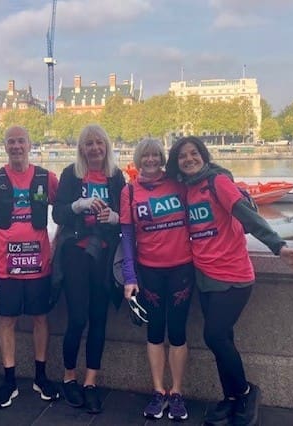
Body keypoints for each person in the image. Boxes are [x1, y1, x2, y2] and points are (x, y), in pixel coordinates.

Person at [165, 136, 293, 426]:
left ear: (203, 156)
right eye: (182, 156)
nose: (189, 159)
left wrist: (278, 247)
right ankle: (230, 399)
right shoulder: (186, 190)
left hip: (233, 276)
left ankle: (245, 392)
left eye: (194, 153)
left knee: (214, 336)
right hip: (204, 277)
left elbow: (249, 217)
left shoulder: (218, 183)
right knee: (223, 340)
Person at [0, 125, 60, 409]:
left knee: (40, 319)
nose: (16, 146)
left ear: (30, 144)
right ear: (5, 146)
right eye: (11, 142)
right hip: (4, 266)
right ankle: (8, 379)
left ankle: (40, 376)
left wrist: (56, 246)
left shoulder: (46, 178)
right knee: (6, 320)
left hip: (39, 265)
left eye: (21, 141)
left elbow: (63, 213)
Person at [51, 124, 124, 414]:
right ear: (81, 148)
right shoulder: (72, 174)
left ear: (106, 146)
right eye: (88, 144)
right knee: (78, 319)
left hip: (104, 257)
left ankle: (91, 381)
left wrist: (113, 216)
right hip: (76, 254)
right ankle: (69, 376)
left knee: (98, 320)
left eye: (99, 143)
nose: (94, 148)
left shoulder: (116, 177)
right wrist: (79, 205)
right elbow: (57, 212)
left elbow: (126, 217)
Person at [119, 138, 194, 420]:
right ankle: (158, 391)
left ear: (162, 158)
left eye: (155, 155)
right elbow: (127, 236)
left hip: (181, 268)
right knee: (154, 332)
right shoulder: (129, 191)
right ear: (138, 159)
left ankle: (177, 392)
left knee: (177, 332)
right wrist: (129, 276)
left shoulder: (179, 184)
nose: (150, 160)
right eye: (145, 155)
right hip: (149, 270)